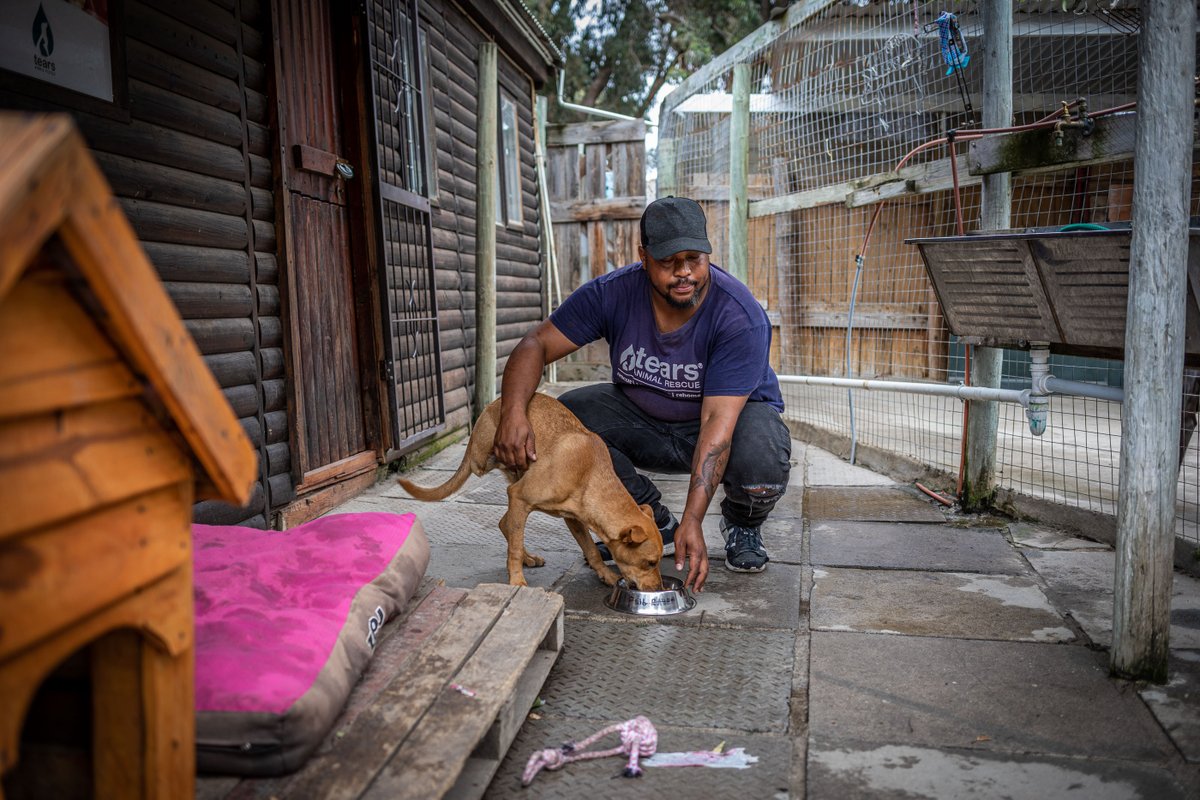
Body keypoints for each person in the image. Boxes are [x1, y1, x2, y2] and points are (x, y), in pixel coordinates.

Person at [492, 196, 791, 592]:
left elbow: (716, 423)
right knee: (570, 423)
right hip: (644, 420)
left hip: (724, 427)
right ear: (644, 256)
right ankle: (654, 520)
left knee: (763, 451)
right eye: (669, 261)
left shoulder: (738, 316)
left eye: (695, 259)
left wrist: (695, 520)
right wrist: (513, 413)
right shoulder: (613, 293)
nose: (685, 273)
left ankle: (743, 524)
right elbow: (536, 344)